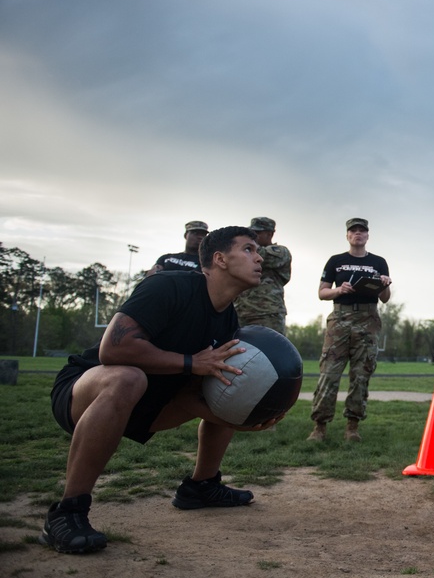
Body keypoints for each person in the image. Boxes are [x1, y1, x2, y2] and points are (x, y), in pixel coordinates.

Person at [41, 226, 275, 554]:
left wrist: (245, 419)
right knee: (128, 378)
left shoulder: (227, 320)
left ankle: (201, 487)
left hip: (150, 402)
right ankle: (67, 512)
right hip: (87, 392)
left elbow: (193, 391)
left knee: (229, 381)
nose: (259, 257)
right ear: (220, 259)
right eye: (249, 249)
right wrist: (193, 361)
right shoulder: (170, 286)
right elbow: (114, 350)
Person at [308, 218, 392, 443]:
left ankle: (352, 427)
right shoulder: (336, 261)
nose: (358, 234)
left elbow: (384, 298)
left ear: (367, 235)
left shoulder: (378, 262)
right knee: (329, 372)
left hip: (368, 318)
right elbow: (322, 292)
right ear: (347, 235)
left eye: (362, 231)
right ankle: (319, 427)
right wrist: (338, 290)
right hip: (340, 318)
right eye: (353, 230)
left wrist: (385, 284)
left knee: (361, 374)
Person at [234, 217, 292, 334]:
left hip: (267, 313)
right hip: (240, 312)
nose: (253, 236)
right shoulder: (244, 252)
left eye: (258, 233)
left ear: (270, 234)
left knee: (271, 349)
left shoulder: (280, 252)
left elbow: (262, 256)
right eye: (251, 232)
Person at [145, 220, 209, 276]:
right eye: (195, 233)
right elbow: (151, 277)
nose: (200, 237)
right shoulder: (166, 258)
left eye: (203, 234)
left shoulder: (207, 263)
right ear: (186, 235)